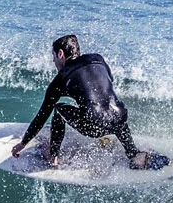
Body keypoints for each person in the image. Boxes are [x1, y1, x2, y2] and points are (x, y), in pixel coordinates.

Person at [12, 34, 158, 170]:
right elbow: (107, 84)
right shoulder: (98, 59)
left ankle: (53, 156)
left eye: (54, 56)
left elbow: (42, 116)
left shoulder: (61, 78)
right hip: (120, 119)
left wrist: (23, 143)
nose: (53, 61)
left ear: (61, 54)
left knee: (58, 110)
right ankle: (133, 154)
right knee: (110, 107)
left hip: (93, 127)